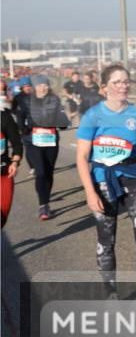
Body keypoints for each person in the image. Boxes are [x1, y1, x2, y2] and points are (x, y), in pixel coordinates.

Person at [76, 64, 136, 298]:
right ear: (105, 87)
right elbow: (82, 158)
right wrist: (90, 193)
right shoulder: (93, 116)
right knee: (106, 238)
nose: (123, 86)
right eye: (117, 82)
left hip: (134, 178)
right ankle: (110, 293)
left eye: (126, 81)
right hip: (103, 179)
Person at [16, 76, 70, 220]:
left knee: (48, 173)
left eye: (45, 85)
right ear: (34, 87)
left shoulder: (54, 100)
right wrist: (25, 130)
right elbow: (20, 117)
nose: (43, 88)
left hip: (51, 141)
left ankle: (45, 200)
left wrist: (63, 120)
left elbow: (63, 120)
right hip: (33, 141)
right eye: (40, 85)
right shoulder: (27, 100)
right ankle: (43, 206)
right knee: (40, 172)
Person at [1, 87, 24, 228]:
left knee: (2, 215)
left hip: (3, 173)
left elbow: (17, 145)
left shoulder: (5, 117)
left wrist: (14, 162)